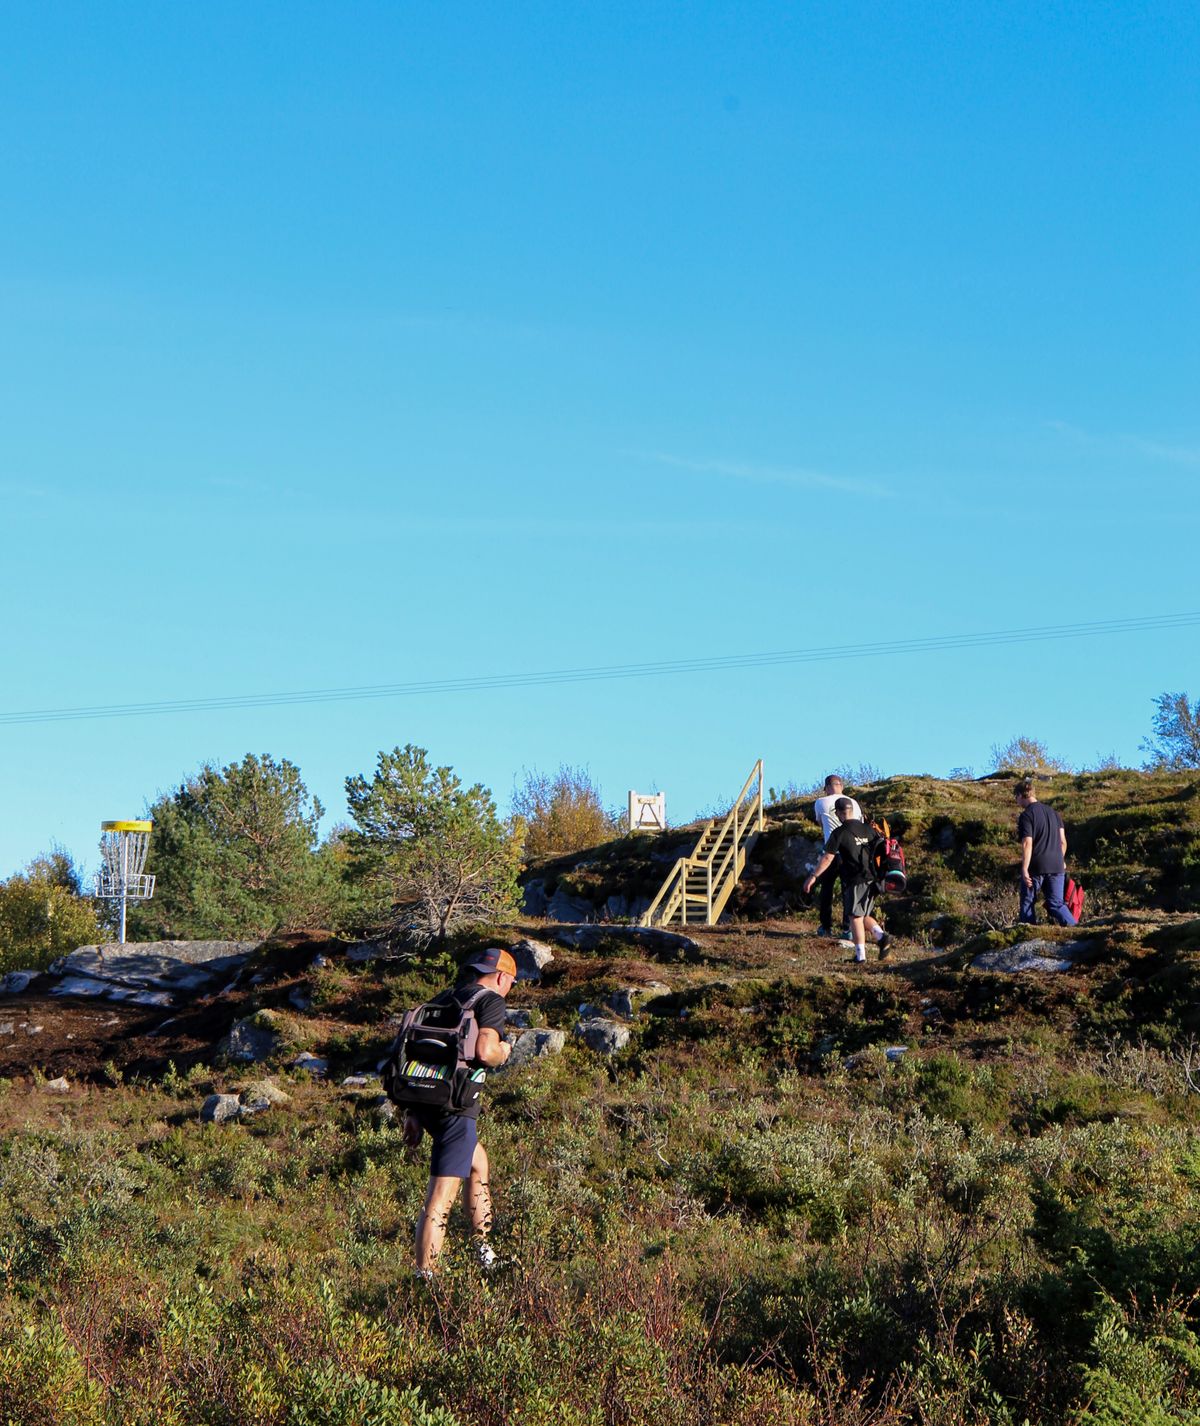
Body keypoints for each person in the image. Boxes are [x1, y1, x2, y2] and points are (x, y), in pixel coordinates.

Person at [402, 946, 516, 1278]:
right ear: (501, 977)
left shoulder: (445, 997)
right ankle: (426, 1278)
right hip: (456, 1108)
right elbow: (485, 1050)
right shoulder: (490, 1001)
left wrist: (411, 1112)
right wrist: (504, 1052)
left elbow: (418, 1050)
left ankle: (485, 1252)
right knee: (440, 1197)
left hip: (425, 1099)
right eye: (510, 982)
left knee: (478, 1164)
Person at [802, 798, 893, 962]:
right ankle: (881, 937)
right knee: (863, 915)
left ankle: (860, 957)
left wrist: (813, 876)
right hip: (873, 879)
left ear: (837, 813)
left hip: (855, 879)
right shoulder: (869, 830)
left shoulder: (839, 832)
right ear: (853, 811)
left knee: (854, 916)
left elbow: (828, 858)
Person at [1014, 780, 1077, 927]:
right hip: (1057, 865)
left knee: (1028, 901)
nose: (1016, 802)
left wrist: (1024, 868)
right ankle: (1075, 929)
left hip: (1036, 865)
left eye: (1016, 798)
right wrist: (1060, 859)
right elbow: (1063, 842)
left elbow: (1027, 843)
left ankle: (1027, 934)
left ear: (1020, 795)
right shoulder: (1054, 813)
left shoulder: (1027, 815)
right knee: (1056, 904)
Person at [811, 775, 863, 936]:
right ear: (841, 786)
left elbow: (821, 824)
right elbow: (859, 824)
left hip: (832, 852)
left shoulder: (820, 802)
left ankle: (825, 927)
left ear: (827, 787)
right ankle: (848, 928)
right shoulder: (854, 803)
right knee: (849, 891)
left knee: (826, 890)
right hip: (851, 852)